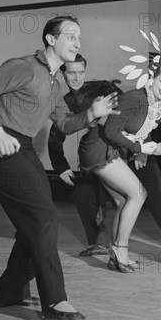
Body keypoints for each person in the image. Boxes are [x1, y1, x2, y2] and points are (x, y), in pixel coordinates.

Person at [0, 15, 118, 320]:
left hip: (21, 147)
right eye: (71, 36)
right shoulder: (24, 66)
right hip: (0, 146)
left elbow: (63, 123)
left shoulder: (55, 80)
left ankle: (8, 292)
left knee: (34, 222)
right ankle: (54, 300)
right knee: (44, 217)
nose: (78, 42)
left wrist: (91, 113)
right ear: (51, 39)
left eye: (80, 37)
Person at [79, 36, 161, 273]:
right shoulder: (136, 98)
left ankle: (115, 254)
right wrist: (141, 148)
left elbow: (135, 131)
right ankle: (120, 250)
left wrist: (144, 147)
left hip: (110, 148)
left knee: (122, 200)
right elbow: (110, 129)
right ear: (152, 78)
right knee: (138, 194)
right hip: (98, 148)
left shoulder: (155, 104)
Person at [48, 53, 116, 257]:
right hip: (91, 155)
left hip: (120, 150)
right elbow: (57, 132)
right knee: (82, 194)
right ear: (63, 73)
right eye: (71, 73)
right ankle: (99, 243)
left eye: (81, 72)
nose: (77, 78)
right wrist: (61, 166)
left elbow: (131, 111)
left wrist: (142, 146)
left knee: (113, 198)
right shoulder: (63, 99)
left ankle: (116, 245)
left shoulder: (102, 87)